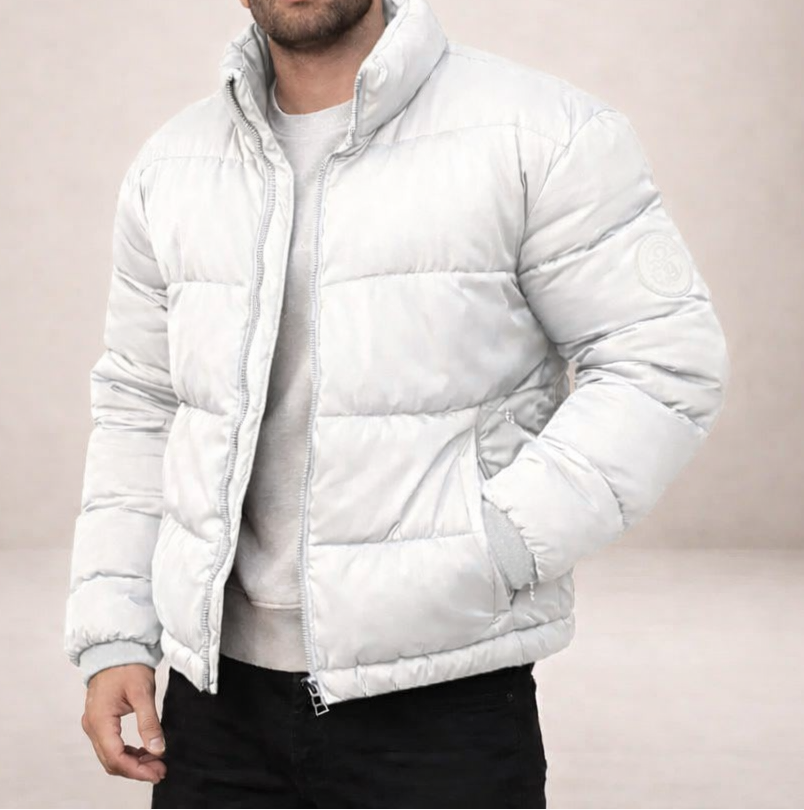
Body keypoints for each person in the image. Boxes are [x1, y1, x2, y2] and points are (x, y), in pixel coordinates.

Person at [63, 0, 730, 807]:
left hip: (442, 704)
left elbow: (663, 361)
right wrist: (115, 633)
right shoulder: (172, 166)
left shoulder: (543, 134)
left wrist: (496, 546)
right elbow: (141, 405)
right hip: (216, 709)